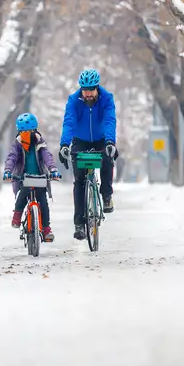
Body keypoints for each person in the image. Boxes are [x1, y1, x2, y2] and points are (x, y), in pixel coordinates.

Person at [58, 69, 118, 240]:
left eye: (91, 89)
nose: (88, 93)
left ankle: (106, 195)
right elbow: (68, 122)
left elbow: (109, 120)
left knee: (107, 158)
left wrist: (110, 142)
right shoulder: (73, 101)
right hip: (80, 141)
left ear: (97, 88)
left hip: (101, 140)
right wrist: (64, 144)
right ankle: (79, 224)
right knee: (79, 180)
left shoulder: (107, 99)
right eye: (85, 90)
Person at [3, 113, 62, 242]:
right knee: (22, 197)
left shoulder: (39, 142)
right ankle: (17, 216)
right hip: (23, 178)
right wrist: (8, 171)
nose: (26, 134)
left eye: (29, 131)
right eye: (23, 131)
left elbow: (47, 156)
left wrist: (53, 169)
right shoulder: (17, 145)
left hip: (40, 177)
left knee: (43, 203)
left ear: (35, 130)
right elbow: (11, 158)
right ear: (19, 131)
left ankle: (46, 229)